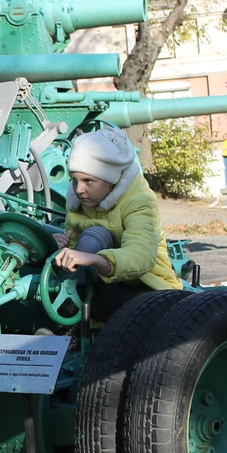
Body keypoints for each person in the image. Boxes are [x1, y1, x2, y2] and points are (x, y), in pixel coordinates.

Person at [52, 126, 183, 321]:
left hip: (149, 287)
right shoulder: (78, 202)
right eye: (74, 180)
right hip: (102, 288)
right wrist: (62, 249)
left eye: (88, 181)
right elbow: (76, 256)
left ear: (111, 181)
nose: (79, 189)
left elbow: (141, 256)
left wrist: (93, 259)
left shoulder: (139, 201)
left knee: (97, 234)